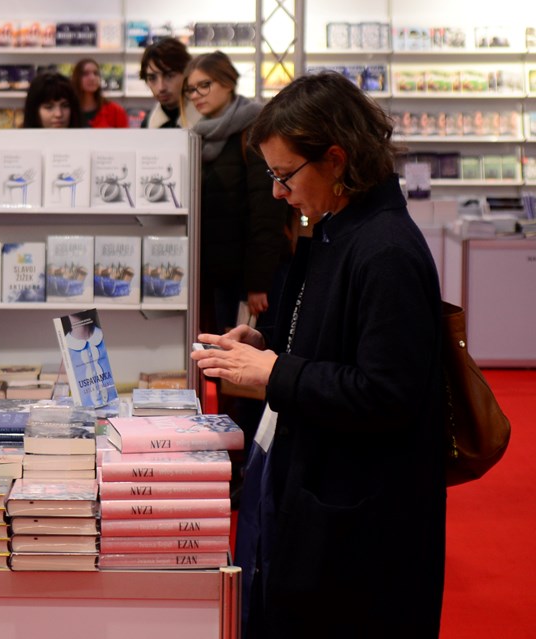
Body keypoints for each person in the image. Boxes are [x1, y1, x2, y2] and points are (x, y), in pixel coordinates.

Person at [191, 72, 446, 637]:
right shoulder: (340, 229)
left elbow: (387, 394)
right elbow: (335, 343)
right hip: (327, 500)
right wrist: (268, 346)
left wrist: (275, 371)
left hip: (362, 530)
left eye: (285, 175)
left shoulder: (385, 250)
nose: (278, 193)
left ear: (335, 160)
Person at [185, 51, 293, 453]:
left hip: (251, 278)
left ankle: (255, 455)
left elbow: (266, 212)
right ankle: (234, 451)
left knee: (250, 370)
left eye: (205, 85)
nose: (197, 95)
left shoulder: (252, 129)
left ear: (228, 82)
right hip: (219, 274)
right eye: (191, 89)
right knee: (226, 369)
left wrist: (257, 283)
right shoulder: (200, 134)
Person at [138, 37, 199, 129]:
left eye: (169, 76)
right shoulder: (148, 124)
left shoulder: (208, 118)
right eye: (152, 78)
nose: (161, 87)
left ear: (187, 74)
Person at [70, 58, 128, 128]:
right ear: (76, 78)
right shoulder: (68, 111)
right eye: (85, 74)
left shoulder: (115, 111)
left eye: (96, 73)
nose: (92, 78)